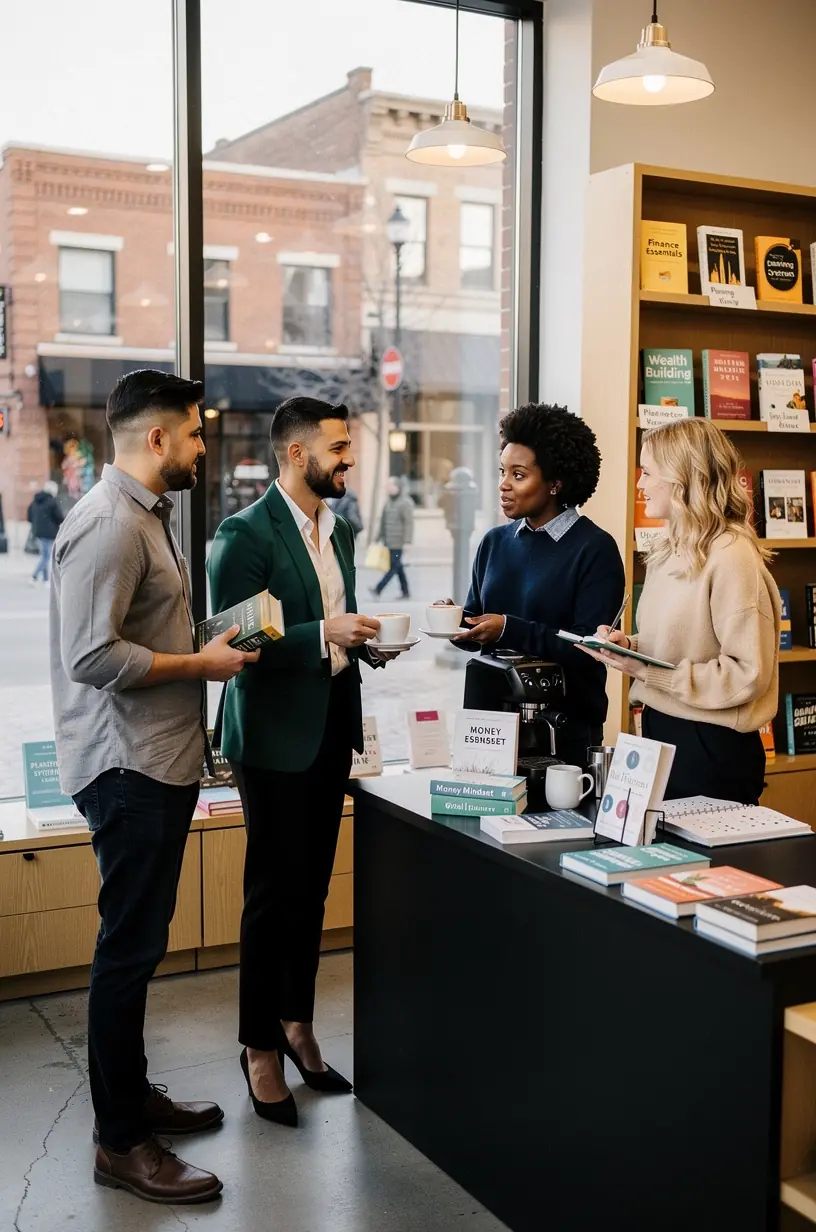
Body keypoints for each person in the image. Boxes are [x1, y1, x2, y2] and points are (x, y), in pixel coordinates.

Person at [50, 369, 260, 1204]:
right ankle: (120, 1142)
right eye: (197, 433)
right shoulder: (107, 524)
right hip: (127, 767)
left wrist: (216, 642)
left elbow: (144, 630)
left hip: (158, 758)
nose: (205, 448)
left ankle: (131, 1098)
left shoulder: (144, 516)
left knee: (137, 948)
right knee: (126, 955)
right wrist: (202, 664)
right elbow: (91, 658)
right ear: (158, 438)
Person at [207, 396, 396, 1126]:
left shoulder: (338, 531)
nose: (350, 459)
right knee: (271, 896)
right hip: (274, 741)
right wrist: (326, 632)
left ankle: (297, 1024)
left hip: (329, 730)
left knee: (313, 891)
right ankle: (258, 1045)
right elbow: (236, 647)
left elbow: (336, 632)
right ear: (296, 453)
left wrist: (364, 642)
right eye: (339, 448)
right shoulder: (241, 535)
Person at [580, 417, 780, 803]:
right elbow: (681, 646)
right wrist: (631, 648)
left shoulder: (731, 556)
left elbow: (747, 674)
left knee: (707, 866)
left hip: (710, 746)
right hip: (660, 730)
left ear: (684, 477)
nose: (639, 484)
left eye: (648, 472)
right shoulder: (669, 548)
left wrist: (647, 671)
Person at [451, 402, 625, 769]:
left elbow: (589, 648)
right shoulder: (494, 542)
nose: (503, 484)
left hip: (565, 729)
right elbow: (478, 619)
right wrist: (458, 625)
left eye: (518, 475)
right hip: (491, 723)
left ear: (555, 482)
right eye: (502, 472)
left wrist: (508, 629)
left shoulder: (595, 549)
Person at [370, 475, 414, 600]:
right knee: (398, 567)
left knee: (394, 567)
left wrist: (407, 542)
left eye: (390, 485)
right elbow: (383, 522)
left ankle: (378, 589)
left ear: (397, 487)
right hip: (389, 542)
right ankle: (406, 592)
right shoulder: (388, 503)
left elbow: (409, 524)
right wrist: (377, 538)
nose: (387, 487)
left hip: (399, 543)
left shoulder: (405, 503)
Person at [27, 480, 63, 584]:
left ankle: (45, 579)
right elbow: (59, 517)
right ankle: (34, 576)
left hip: (37, 531)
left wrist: (35, 524)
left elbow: (29, 514)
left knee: (44, 554)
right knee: (46, 556)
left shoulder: (36, 500)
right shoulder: (52, 502)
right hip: (49, 532)